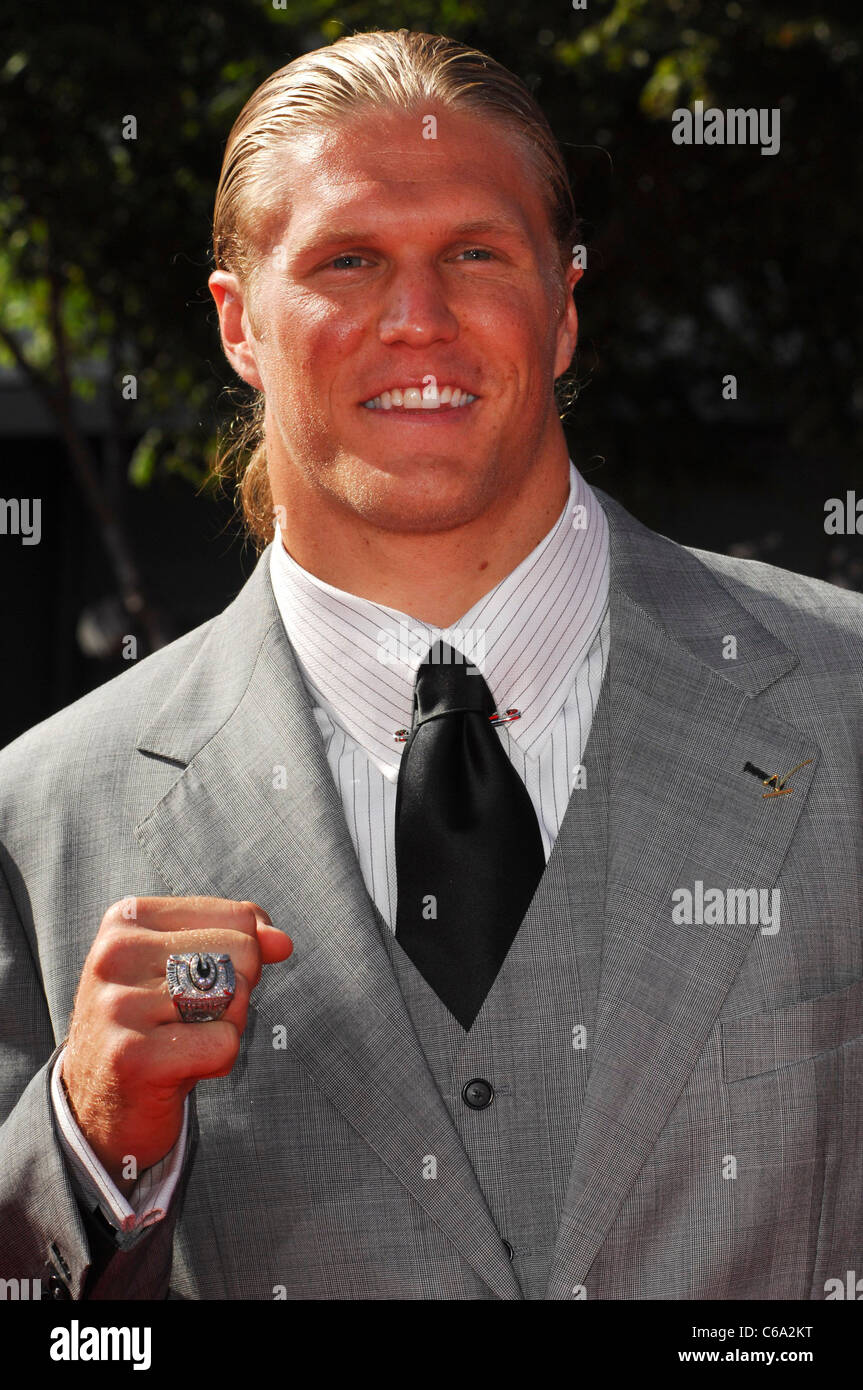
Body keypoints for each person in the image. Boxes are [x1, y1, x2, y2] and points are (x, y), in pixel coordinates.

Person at [0, 28, 861, 1302]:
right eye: (348, 260)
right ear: (240, 326)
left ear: (563, 306)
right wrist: (86, 1148)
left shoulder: (841, 705)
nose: (417, 319)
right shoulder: (45, 812)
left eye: (473, 252)